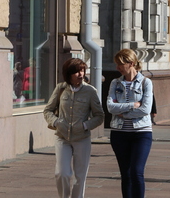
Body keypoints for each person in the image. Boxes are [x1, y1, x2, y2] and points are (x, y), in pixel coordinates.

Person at [44, 58, 105, 198]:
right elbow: (47, 110)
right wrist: (56, 122)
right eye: (77, 71)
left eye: (82, 70)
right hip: (62, 138)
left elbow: (99, 116)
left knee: (80, 176)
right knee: (62, 173)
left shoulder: (90, 91)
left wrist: (85, 125)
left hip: (81, 139)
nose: (81, 74)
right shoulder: (60, 89)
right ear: (68, 74)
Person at [107, 49, 154, 198]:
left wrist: (121, 112)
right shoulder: (115, 83)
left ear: (131, 63)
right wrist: (132, 105)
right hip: (119, 134)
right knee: (125, 173)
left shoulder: (146, 82)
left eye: (120, 64)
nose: (117, 68)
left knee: (136, 171)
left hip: (141, 133)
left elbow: (145, 109)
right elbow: (110, 107)